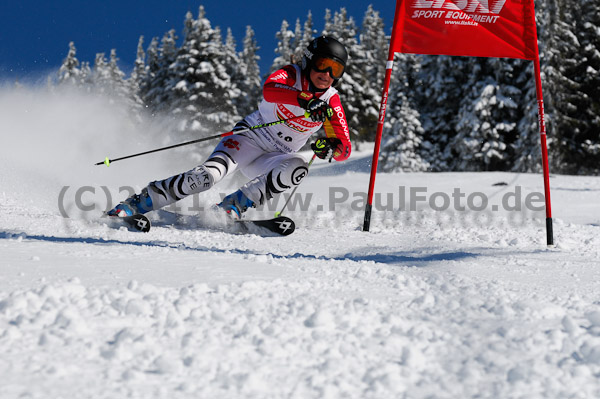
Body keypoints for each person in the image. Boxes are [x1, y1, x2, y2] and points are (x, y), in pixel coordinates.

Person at [107, 36, 351, 220]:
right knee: (206, 177)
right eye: (322, 64)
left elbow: (344, 148)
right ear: (309, 60)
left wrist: (331, 149)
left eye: (335, 69)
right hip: (248, 139)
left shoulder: (331, 101)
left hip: (276, 156)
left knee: (298, 168)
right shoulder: (290, 75)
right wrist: (304, 99)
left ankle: (231, 207)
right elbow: (270, 90)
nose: (327, 74)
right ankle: (137, 204)